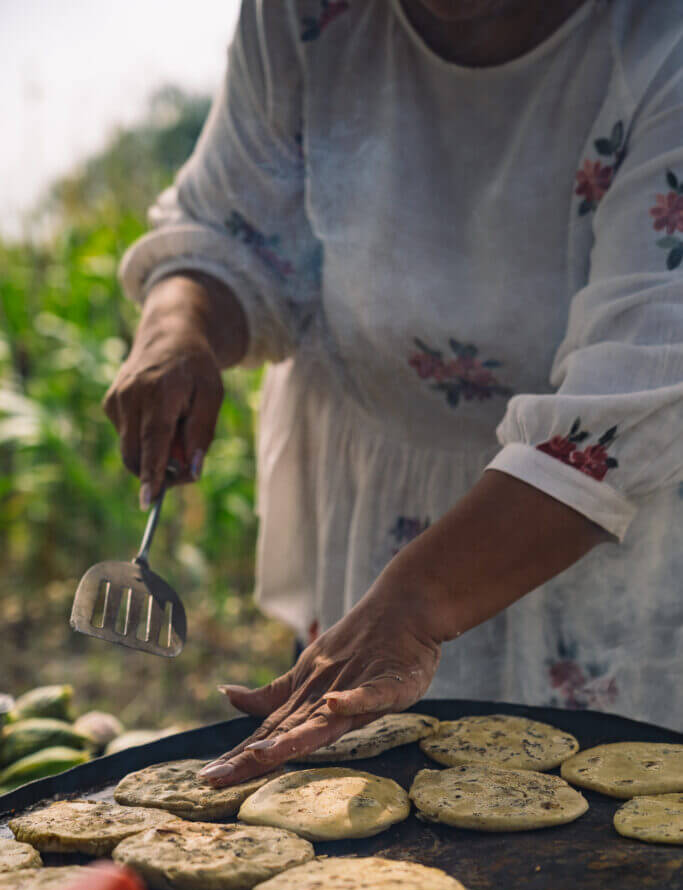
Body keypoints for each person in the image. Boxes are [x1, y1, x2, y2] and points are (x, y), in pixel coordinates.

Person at [105, 0, 683, 786]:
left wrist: (414, 605)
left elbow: (641, 384)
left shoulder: (658, 41)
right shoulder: (305, 15)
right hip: (379, 526)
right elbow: (230, 229)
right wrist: (181, 325)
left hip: (589, 528)